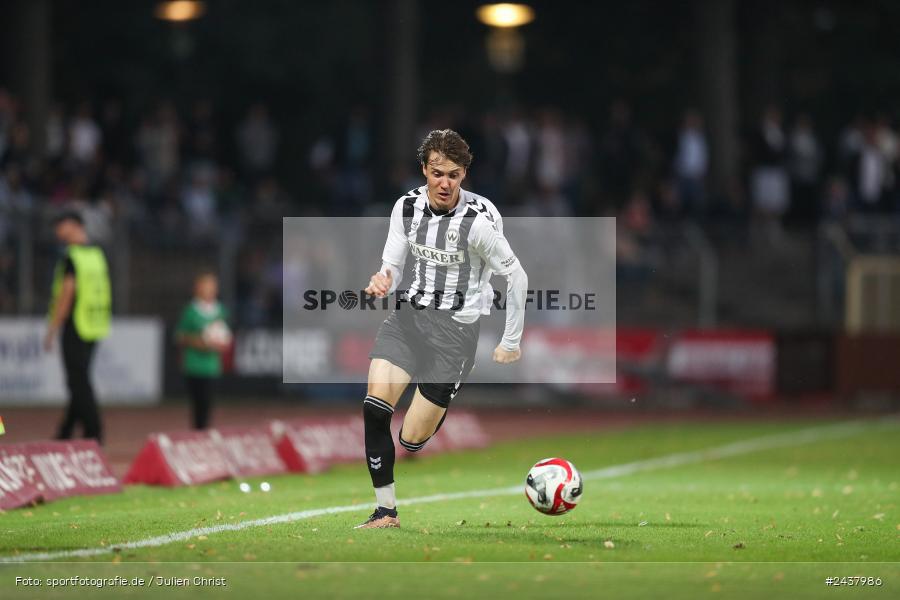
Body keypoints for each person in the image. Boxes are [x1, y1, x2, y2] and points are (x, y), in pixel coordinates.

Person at [356, 129, 528, 529]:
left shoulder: (480, 222)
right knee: (374, 409)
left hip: (456, 335)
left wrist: (511, 341)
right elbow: (393, 267)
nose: (444, 183)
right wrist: (383, 279)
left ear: (464, 174)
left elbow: (516, 277)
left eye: (453, 174)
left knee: (412, 440)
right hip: (409, 319)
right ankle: (386, 512)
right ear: (424, 170)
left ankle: (441, 397)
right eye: (437, 173)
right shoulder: (406, 207)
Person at [44, 210, 111, 442]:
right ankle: (65, 432)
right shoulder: (97, 255)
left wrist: (53, 327)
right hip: (95, 325)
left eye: (60, 226)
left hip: (76, 324)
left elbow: (67, 293)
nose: (57, 232)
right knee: (79, 381)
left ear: (73, 225)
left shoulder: (72, 257)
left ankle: (94, 432)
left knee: (78, 382)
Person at [175, 271, 230, 429]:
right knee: (197, 403)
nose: (209, 289)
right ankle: (197, 432)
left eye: (212, 285)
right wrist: (198, 341)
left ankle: (202, 432)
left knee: (207, 403)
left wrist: (219, 343)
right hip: (193, 365)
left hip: (211, 367)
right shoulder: (190, 311)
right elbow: (180, 336)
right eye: (205, 285)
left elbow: (225, 337)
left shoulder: (220, 311)